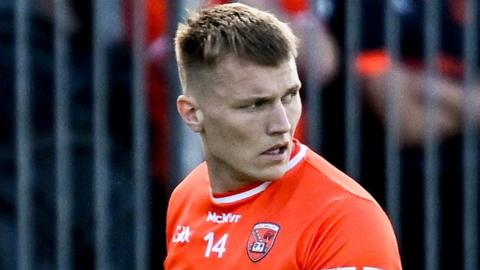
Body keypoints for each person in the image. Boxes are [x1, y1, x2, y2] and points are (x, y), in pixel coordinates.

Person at [164, 3, 401, 269]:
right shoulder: (185, 198)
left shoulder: (344, 217)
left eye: (289, 96)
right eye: (255, 105)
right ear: (192, 113)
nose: (281, 124)